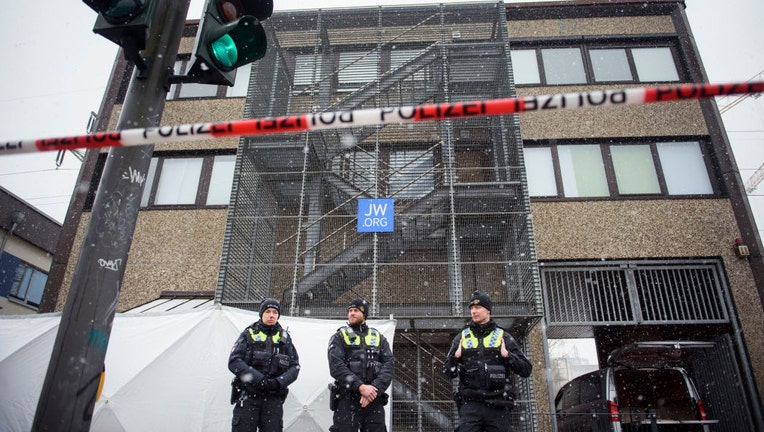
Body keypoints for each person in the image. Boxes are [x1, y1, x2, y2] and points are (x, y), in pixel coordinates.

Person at [444, 290, 532, 432]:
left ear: (488, 310)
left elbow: (526, 369)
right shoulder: (462, 337)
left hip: (498, 405)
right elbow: (447, 372)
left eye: (478, 308)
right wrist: (455, 357)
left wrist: (508, 355)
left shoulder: (503, 336)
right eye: (471, 308)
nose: (474, 311)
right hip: (470, 406)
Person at [228, 298, 300, 432]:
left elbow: (294, 367)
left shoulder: (284, 338)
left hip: (273, 400)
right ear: (261, 314)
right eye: (267, 311)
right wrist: (258, 379)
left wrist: (278, 382)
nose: (271, 315)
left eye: (274, 312)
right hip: (249, 397)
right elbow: (234, 361)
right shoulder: (248, 334)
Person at [327, 297, 395, 432]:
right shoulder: (339, 337)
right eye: (350, 310)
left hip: (373, 401)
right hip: (347, 401)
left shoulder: (378, 337)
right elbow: (336, 366)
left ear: (364, 314)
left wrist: (373, 389)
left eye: (356, 310)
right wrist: (360, 386)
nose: (352, 313)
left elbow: (389, 364)